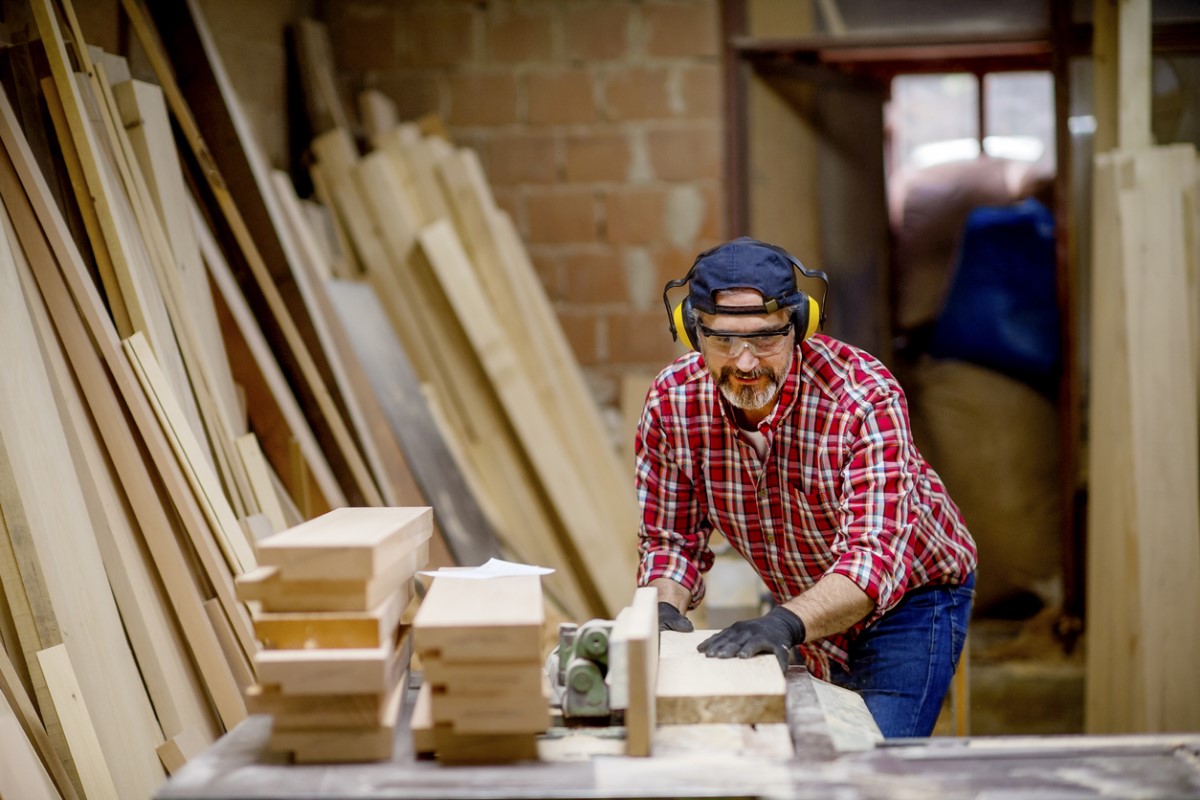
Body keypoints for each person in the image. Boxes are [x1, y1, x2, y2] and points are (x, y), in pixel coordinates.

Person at [636, 236, 978, 738]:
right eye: (723, 340)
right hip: (809, 603)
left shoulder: (862, 398)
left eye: (765, 339)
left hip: (912, 598)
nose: (745, 363)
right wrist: (664, 607)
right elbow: (671, 541)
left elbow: (871, 561)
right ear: (692, 331)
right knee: (809, 752)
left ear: (800, 328)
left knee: (866, 768)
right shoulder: (672, 403)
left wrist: (784, 623)